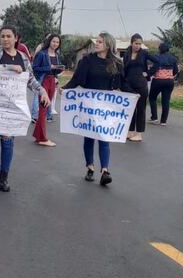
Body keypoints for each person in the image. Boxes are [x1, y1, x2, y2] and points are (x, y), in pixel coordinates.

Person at [0, 26, 50, 192]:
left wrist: (42, 91)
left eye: (8, 36)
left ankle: (3, 178)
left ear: (15, 38)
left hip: (13, 107)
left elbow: (30, 79)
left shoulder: (23, 57)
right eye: (2, 36)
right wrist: (9, 68)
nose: (5, 39)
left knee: (7, 140)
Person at [63, 32, 123, 186]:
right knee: (89, 137)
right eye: (97, 41)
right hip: (89, 105)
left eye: (100, 42)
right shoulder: (87, 60)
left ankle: (105, 171)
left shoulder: (116, 63)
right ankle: (90, 167)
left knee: (104, 137)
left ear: (108, 45)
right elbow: (76, 78)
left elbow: (121, 83)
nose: (96, 44)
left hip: (105, 107)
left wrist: (132, 94)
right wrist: (65, 88)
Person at [122, 33, 157, 142]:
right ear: (131, 43)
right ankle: (130, 131)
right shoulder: (127, 53)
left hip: (141, 85)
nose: (138, 46)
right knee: (130, 109)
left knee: (140, 109)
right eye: (136, 43)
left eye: (139, 44)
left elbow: (158, 62)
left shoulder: (144, 53)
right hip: (128, 85)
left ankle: (139, 133)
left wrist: (149, 73)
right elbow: (124, 68)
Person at [32, 33, 64, 147]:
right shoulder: (41, 54)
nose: (55, 44)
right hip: (43, 82)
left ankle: (38, 135)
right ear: (49, 41)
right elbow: (34, 68)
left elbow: (55, 70)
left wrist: (59, 70)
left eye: (57, 42)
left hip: (52, 81)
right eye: (53, 41)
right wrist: (48, 68)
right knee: (43, 109)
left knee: (45, 108)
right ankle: (42, 138)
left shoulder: (57, 55)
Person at [148, 42, 180, 126]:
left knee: (152, 98)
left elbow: (154, 69)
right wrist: (168, 75)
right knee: (166, 101)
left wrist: (148, 74)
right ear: (168, 49)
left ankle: (154, 117)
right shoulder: (173, 59)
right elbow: (176, 71)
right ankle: (163, 121)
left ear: (159, 49)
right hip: (169, 82)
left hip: (158, 81)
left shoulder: (157, 57)